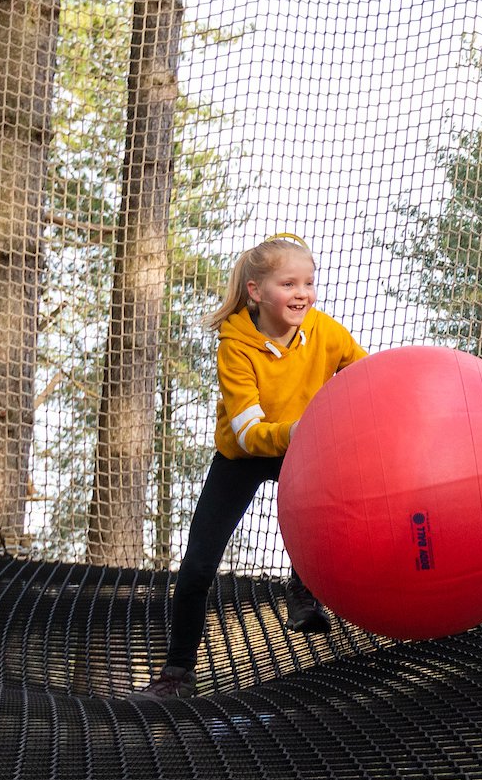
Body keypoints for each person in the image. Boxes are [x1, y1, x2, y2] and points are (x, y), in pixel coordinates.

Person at [140, 234, 367, 698]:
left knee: (330, 508)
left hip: (301, 450)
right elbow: (246, 432)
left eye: (308, 282)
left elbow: (366, 378)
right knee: (199, 565)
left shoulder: (326, 332)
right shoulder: (235, 345)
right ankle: (176, 674)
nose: (302, 293)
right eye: (288, 283)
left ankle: (304, 588)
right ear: (256, 291)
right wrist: (297, 432)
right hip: (242, 456)